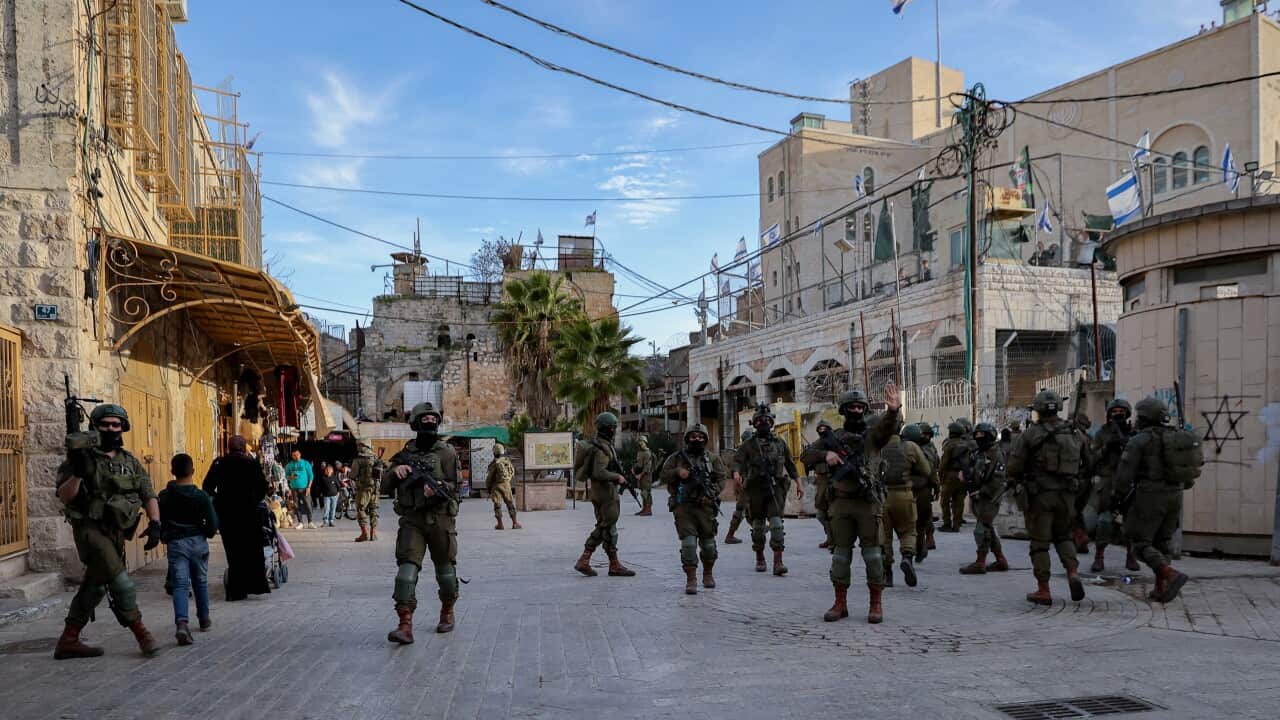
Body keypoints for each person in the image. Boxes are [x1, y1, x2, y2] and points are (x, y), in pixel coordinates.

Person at [53, 402, 162, 659]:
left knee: (97, 585)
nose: (111, 429)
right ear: (95, 427)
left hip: (117, 532)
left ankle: (68, 640)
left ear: (123, 428)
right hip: (90, 530)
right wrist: (78, 475)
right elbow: (65, 496)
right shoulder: (80, 459)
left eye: (116, 425)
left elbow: (148, 493)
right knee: (121, 583)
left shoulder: (129, 462)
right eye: (105, 425)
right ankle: (141, 633)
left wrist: (156, 523)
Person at [799, 384, 900, 624]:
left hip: (868, 504)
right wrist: (826, 455)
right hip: (842, 504)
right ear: (844, 410)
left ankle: (876, 604)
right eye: (851, 407)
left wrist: (893, 411)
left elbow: (887, 428)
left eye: (859, 407)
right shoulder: (833, 438)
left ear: (864, 409)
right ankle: (839, 603)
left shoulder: (873, 436)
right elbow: (805, 456)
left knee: (874, 556)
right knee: (841, 557)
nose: (855, 410)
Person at [383, 402, 462, 642]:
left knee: (446, 573)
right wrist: (395, 472)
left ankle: (447, 611)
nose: (429, 424)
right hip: (412, 520)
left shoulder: (447, 453)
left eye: (433, 420)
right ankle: (404, 624)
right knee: (406, 573)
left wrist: (437, 490)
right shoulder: (405, 454)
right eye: (424, 420)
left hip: (440, 520)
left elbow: (455, 488)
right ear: (415, 424)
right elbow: (385, 486)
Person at [1116, 397, 1203, 603]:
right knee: (1162, 543)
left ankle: (1168, 573)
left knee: (1140, 543)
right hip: (1175, 494)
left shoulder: (1139, 440)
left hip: (1149, 495)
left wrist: (1119, 498)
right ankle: (1161, 587)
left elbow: (1124, 476)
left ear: (1145, 417)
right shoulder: (1175, 437)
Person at [1006, 390, 1086, 605]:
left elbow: (1014, 464)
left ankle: (1044, 590)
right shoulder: (1075, 433)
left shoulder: (1031, 434)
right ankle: (1073, 573)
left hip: (1040, 496)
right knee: (1064, 536)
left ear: (1038, 409)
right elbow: (1089, 461)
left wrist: (1014, 480)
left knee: (1040, 544)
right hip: (1067, 495)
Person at [158, 453, 218, 645]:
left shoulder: (165, 496)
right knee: (200, 581)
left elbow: (161, 520)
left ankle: (182, 623)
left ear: (172, 472)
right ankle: (204, 617)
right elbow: (212, 523)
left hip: (176, 543)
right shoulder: (201, 497)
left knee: (180, 584)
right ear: (192, 471)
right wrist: (206, 532)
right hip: (197, 541)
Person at [734, 404, 800, 577]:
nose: (763, 423)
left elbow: (790, 464)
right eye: (760, 420)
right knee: (758, 528)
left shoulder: (780, 443)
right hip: (755, 489)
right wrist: (736, 473)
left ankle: (778, 562)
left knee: (777, 525)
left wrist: (798, 483)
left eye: (767, 420)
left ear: (772, 423)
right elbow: (738, 460)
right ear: (754, 424)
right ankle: (760, 557)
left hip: (775, 488)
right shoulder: (748, 444)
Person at [203, 435, 270, 601]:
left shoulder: (219, 463)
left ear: (228, 447)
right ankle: (254, 585)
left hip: (227, 515)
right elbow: (262, 487)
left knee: (233, 552)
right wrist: (253, 500)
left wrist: (219, 500)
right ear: (243, 447)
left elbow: (207, 487)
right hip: (249, 513)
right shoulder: (251, 464)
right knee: (252, 549)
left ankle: (236, 590)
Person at [660, 424, 725, 594]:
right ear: (687, 438)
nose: (697, 439)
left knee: (709, 545)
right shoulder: (676, 458)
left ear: (705, 439)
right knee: (688, 544)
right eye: (693, 436)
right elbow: (662, 475)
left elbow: (721, 479)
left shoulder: (713, 459)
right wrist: (678, 472)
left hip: (706, 507)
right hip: (684, 506)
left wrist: (713, 493)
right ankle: (691, 579)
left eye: (700, 436)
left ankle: (708, 574)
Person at [573, 413, 637, 578]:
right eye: (613, 428)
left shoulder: (601, 444)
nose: (614, 431)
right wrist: (617, 477)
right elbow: (599, 471)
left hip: (599, 491)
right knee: (606, 524)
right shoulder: (602, 448)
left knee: (610, 529)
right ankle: (585, 558)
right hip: (605, 492)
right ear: (610, 428)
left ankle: (614, 564)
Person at [1089, 399, 1140, 573]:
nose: (1118, 413)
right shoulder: (1102, 433)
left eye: (1121, 411)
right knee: (1104, 521)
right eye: (1115, 411)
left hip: (1128, 482)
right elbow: (1091, 458)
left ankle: (1131, 556)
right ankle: (1099, 556)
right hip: (1108, 482)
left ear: (1127, 413)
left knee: (1131, 522)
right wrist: (1106, 448)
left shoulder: (1134, 433)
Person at [878, 421, 932, 588]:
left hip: (882, 497)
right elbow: (926, 470)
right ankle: (907, 558)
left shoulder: (877, 447)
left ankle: (887, 574)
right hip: (905, 495)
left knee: (884, 537)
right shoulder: (910, 447)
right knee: (908, 530)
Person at [959, 423, 1011, 574]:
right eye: (978, 437)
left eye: (983, 437)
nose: (980, 440)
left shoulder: (996, 453)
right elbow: (974, 470)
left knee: (981, 530)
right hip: (978, 496)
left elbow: (998, 478)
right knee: (987, 528)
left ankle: (980, 562)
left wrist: (982, 491)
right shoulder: (979, 452)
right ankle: (1001, 559)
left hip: (990, 496)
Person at [903, 423, 939, 562]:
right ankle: (918, 549)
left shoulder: (907, 449)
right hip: (922, 490)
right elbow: (932, 471)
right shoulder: (928, 449)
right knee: (920, 523)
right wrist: (936, 486)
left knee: (913, 524)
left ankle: (912, 551)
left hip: (910, 490)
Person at [1070, 412, 1097, 555]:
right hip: (1087, 480)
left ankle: (1079, 536)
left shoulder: (1075, 438)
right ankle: (1080, 540)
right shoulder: (1089, 438)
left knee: (1069, 511)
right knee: (1077, 511)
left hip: (1076, 479)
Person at [937, 422, 973, 532]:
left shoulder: (949, 444)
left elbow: (945, 462)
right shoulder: (966, 445)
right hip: (962, 476)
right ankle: (956, 524)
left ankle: (947, 523)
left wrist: (940, 473)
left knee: (945, 500)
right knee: (959, 501)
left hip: (950, 475)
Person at [722, 429, 754, 544]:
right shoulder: (743, 453)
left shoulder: (747, 451)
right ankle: (730, 535)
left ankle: (758, 529)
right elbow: (735, 469)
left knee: (749, 509)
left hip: (747, 484)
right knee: (740, 510)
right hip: (744, 485)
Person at [914, 422, 941, 558]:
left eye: (927, 434)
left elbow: (932, 469)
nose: (925, 436)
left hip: (923, 487)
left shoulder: (925, 449)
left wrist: (936, 485)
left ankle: (925, 541)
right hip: (923, 486)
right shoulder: (927, 447)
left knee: (923, 516)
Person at [811, 419, 835, 550]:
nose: (822, 431)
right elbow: (806, 457)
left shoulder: (836, 444)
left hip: (834, 483)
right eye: (819, 429)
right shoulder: (817, 446)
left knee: (833, 514)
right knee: (821, 514)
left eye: (824, 429)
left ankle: (836, 540)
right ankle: (830, 537)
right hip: (821, 483)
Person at [485, 443, 521, 530]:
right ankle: (515, 523)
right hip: (506, 484)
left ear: (494, 452)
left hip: (496, 486)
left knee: (497, 505)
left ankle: (500, 524)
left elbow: (489, 477)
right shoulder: (506, 461)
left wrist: (488, 487)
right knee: (510, 503)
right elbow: (512, 472)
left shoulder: (495, 463)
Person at [352, 443, 381, 542]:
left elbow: (352, 475)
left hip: (363, 490)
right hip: (375, 489)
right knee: (374, 510)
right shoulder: (376, 458)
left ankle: (364, 533)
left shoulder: (358, 460)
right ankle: (373, 533)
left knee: (361, 509)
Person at [285, 449, 315, 528]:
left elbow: (311, 476)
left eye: (297, 454)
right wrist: (290, 477)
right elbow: (286, 476)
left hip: (305, 488)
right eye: (294, 455)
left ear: (300, 454)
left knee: (308, 504)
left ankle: (310, 522)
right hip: (294, 488)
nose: (296, 456)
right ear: (292, 456)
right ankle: (300, 522)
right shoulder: (289, 465)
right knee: (296, 505)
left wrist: (309, 487)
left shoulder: (305, 463)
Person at [633, 436, 654, 516]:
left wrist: (641, 475)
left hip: (646, 475)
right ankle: (644, 509)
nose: (640, 443)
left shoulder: (647, 453)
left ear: (645, 442)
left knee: (646, 492)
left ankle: (648, 510)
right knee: (643, 492)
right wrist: (634, 470)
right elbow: (638, 463)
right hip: (640, 474)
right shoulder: (640, 452)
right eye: (639, 442)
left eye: (641, 441)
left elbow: (647, 467)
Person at [317, 462, 340, 527]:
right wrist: (320, 494)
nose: (328, 471)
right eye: (326, 470)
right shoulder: (323, 478)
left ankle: (331, 521)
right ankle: (325, 521)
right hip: (326, 496)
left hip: (334, 496)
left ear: (332, 471)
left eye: (329, 470)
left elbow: (338, 486)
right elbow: (320, 487)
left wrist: (338, 493)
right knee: (327, 509)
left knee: (333, 508)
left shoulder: (334, 477)